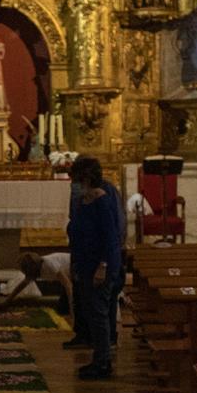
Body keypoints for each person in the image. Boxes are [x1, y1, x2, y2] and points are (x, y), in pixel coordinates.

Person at [66, 155, 124, 380]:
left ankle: (103, 362)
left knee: (99, 315)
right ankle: (98, 358)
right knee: (92, 313)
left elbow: (110, 238)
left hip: (99, 266)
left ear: (86, 178)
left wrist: (103, 266)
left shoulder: (101, 200)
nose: (74, 184)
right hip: (85, 264)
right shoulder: (84, 200)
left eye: (76, 179)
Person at [0, 250, 74, 328]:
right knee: (62, 310)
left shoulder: (49, 264)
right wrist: (7, 300)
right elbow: (23, 284)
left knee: (68, 309)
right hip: (72, 276)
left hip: (78, 270)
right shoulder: (35, 268)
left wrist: (72, 311)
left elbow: (68, 285)